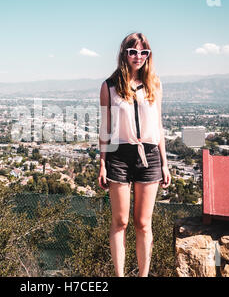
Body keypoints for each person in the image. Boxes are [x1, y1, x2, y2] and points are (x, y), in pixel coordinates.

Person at [98, 32, 171, 277]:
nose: (138, 57)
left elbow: (159, 126)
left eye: (143, 52)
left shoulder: (155, 83)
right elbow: (105, 129)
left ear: (148, 55)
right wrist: (102, 164)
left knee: (143, 223)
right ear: (124, 54)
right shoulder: (109, 86)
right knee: (120, 222)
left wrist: (165, 164)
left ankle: (143, 275)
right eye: (133, 51)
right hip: (119, 155)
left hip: (149, 155)